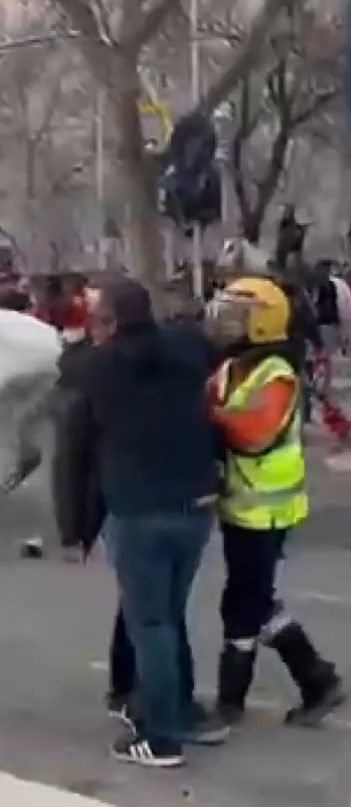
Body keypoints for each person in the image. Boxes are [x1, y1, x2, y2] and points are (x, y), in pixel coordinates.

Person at [61, 277, 228, 767]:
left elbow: (74, 452)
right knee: (169, 612)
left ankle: (160, 736)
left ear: (108, 322)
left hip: (139, 506)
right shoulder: (188, 349)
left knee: (150, 620)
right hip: (196, 501)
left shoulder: (96, 369)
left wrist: (76, 529)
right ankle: (184, 710)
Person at [204, 277, 345, 727]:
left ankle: (242, 699)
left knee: (245, 603)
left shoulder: (278, 374)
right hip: (238, 505)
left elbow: (253, 432)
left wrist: (207, 415)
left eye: (236, 315)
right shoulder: (231, 368)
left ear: (262, 324)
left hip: (266, 510)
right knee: (253, 600)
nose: (224, 323)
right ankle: (315, 679)